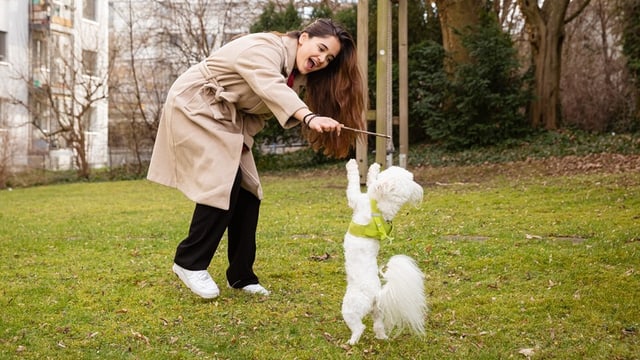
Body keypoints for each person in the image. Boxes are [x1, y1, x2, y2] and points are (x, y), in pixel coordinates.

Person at [147, 18, 365, 299]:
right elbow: (270, 86)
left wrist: (243, 142)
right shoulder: (264, 48)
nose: (322, 59)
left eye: (329, 57)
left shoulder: (295, 76)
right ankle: (189, 262)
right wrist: (308, 117)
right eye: (321, 48)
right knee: (225, 180)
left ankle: (241, 276)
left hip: (227, 120)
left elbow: (257, 108)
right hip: (195, 105)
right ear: (303, 38)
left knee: (249, 190)